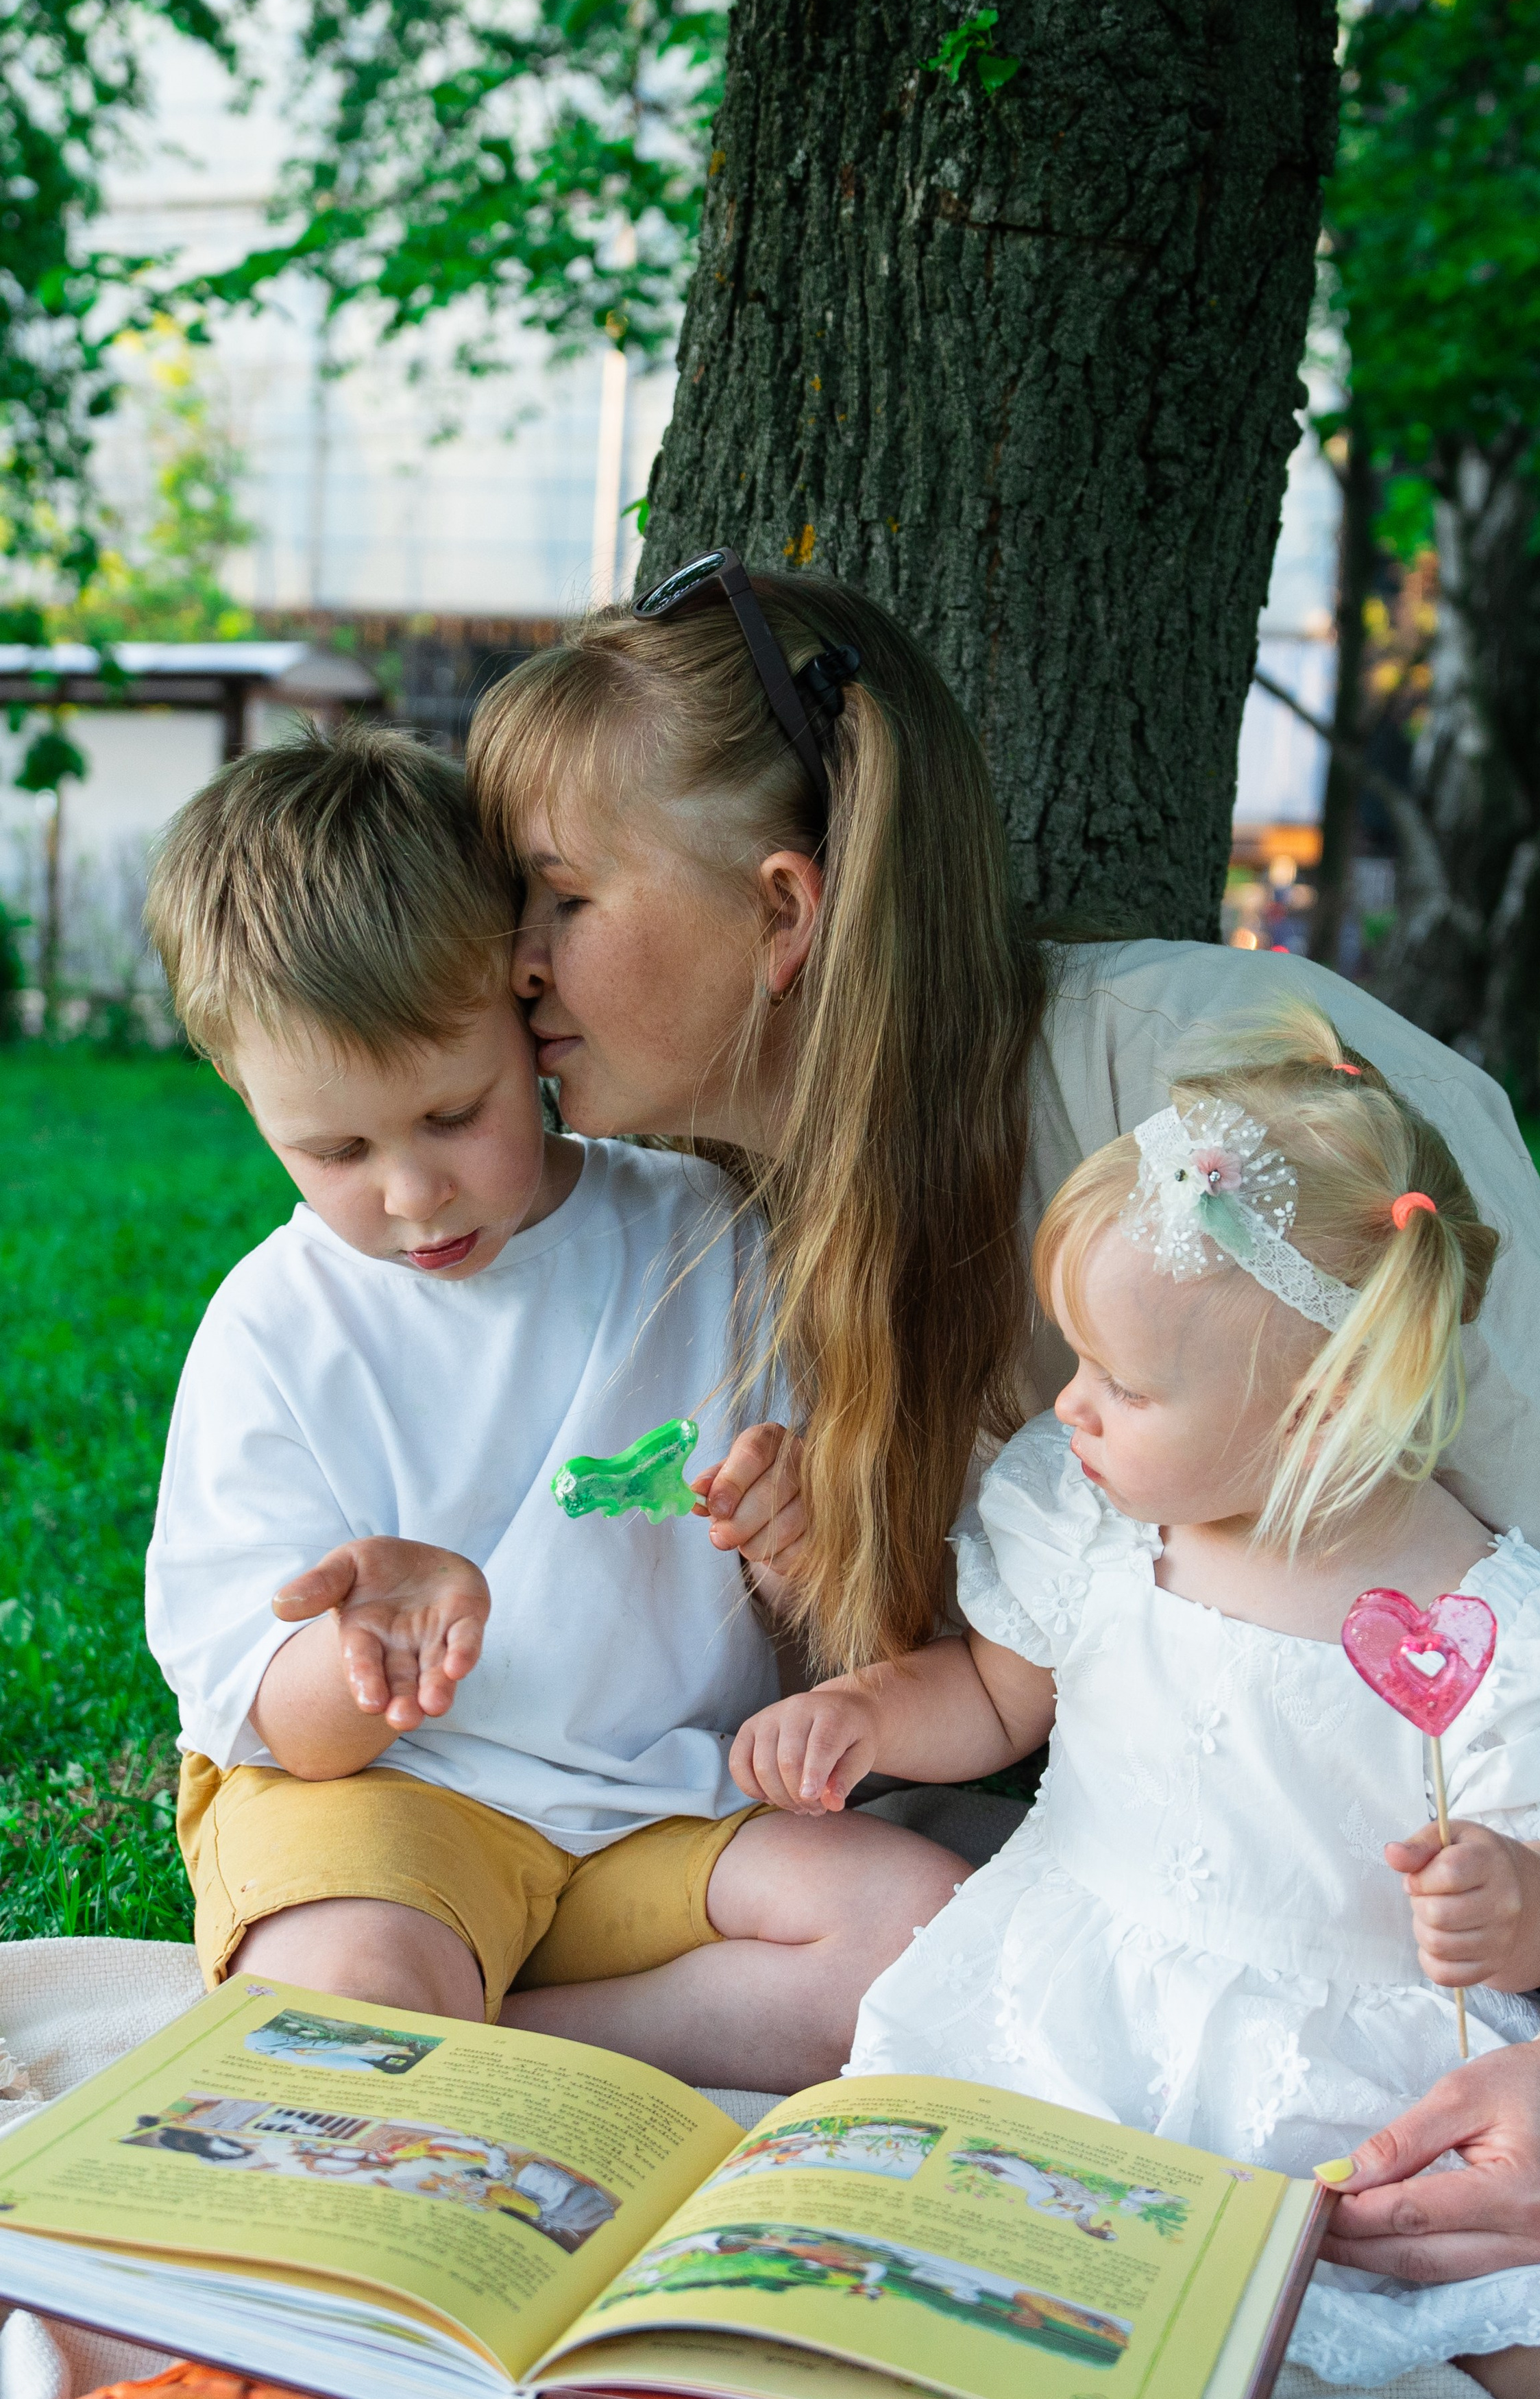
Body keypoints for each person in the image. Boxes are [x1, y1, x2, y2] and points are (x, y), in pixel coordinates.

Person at [467, 556, 1540, 2270]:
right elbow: (1037, 1653)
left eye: (555, 900)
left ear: (782, 914)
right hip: (1336, 1771)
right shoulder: (720, 1214)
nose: (514, 964)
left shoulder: (1210, 1093)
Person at [736, 1003, 1540, 2399]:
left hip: (1360, 2067)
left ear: (1319, 1413)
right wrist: (871, 1713)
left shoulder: (1483, 1614)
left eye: (1119, 1384)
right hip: (1077, 2018)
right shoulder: (1090, 1530)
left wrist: (1507, 1889)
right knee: (898, 2211)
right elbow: (1001, 1693)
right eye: (1074, 1358)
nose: (1067, 1403)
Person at [141, 725, 964, 2090]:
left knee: (925, 1941)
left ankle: (492, 2049)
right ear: (246, 1095)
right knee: (349, 1977)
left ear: (523, 1010)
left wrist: (798, 1532)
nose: (413, 1197)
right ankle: (411, 2020)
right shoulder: (278, 1330)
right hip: (394, 1817)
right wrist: (368, 1661)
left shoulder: (706, 1236)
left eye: (454, 1114)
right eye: (336, 1150)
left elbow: (829, 1623)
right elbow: (268, 1716)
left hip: (653, 1810)